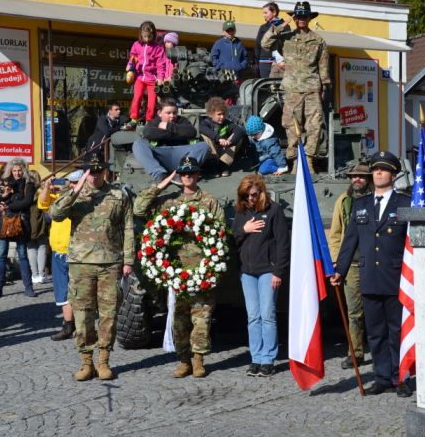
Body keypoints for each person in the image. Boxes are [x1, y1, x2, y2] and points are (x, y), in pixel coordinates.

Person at [330, 151, 413, 397]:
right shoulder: (361, 204)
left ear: (393, 175)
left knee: (397, 331)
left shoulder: (405, 203)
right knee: (375, 332)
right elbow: (350, 241)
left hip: (397, 277)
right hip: (369, 277)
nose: (377, 173)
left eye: (383, 169)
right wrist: (340, 270)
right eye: (375, 169)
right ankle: (381, 376)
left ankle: (401, 378)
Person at [133, 155, 224, 378]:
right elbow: (139, 209)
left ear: (198, 175)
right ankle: (183, 360)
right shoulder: (170, 201)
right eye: (183, 173)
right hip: (176, 271)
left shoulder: (209, 201)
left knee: (201, 319)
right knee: (179, 320)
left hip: (202, 270)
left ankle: (199, 360)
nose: (187, 177)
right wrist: (161, 185)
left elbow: (220, 232)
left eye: (191, 173)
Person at [50, 155, 134, 381]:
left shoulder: (118, 195)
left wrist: (128, 260)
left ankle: (104, 361)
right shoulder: (75, 195)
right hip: (81, 263)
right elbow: (55, 214)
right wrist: (76, 190)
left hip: (110, 263)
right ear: (85, 172)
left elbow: (128, 228)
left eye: (98, 171)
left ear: (105, 171)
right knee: (83, 314)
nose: (95, 175)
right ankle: (86, 362)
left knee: (108, 315)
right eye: (90, 171)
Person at [262, 1, 330, 173]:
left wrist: (325, 87)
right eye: (297, 15)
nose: (301, 19)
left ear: (309, 18)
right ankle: (294, 162)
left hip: (312, 89)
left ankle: (308, 161)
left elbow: (323, 66)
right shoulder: (286, 37)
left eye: (304, 16)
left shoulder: (318, 40)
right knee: (292, 126)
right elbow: (265, 44)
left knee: (314, 126)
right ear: (294, 17)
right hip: (292, 90)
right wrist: (282, 24)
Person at [231, 174, 289, 377]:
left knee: (267, 316)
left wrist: (278, 271)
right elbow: (234, 238)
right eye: (246, 195)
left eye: (253, 194)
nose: (250, 198)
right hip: (247, 272)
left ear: (261, 192)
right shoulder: (242, 211)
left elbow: (283, 243)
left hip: (267, 271)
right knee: (253, 317)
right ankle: (255, 358)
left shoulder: (273, 210)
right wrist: (243, 229)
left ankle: (268, 359)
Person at [328, 163, 372, 369]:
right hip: (352, 263)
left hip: (374, 262)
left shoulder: (376, 199)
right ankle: (355, 352)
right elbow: (336, 233)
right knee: (354, 312)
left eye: (362, 176)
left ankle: (379, 350)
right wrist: (337, 261)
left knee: (375, 310)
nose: (357, 179)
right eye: (354, 176)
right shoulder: (343, 201)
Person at [38, 170, 84, 341]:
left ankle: (82, 325)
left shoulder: (84, 199)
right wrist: (47, 186)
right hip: (58, 252)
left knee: (80, 291)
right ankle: (68, 325)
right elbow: (43, 204)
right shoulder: (61, 197)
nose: (72, 186)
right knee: (62, 292)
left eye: (75, 182)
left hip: (77, 253)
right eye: (70, 182)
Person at [0, 157, 37, 299]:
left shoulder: (29, 184)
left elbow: (26, 202)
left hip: (20, 222)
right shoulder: (5, 183)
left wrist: (9, 205)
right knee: (2, 255)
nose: (17, 173)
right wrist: (4, 194)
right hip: (4, 222)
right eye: (14, 170)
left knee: (22, 255)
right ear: (10, 171)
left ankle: (28, 287)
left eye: (19, 170)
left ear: (24, 170)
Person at [131, 98, 209, 183]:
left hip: (181, 156)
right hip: (161, 154)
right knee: (138, 144)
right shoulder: (155, 122)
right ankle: (160, 175)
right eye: (168, 113)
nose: (172, 116)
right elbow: (148, 133)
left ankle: (184, 174)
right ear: (159, 113)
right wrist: (177, 132)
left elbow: (191, 132)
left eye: (174, 113)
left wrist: (168, 127)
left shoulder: (182, 120)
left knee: (203, 146)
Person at [127, 21, 167, 124]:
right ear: (141, 34)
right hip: (139, 76)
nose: (147, 39)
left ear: (153, 35)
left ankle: (149, 120)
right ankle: (134, 118)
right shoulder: (136, 45)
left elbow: (160, 64)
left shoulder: (158, 48)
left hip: (152, 78)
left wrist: (160, 77)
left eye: (149, 37)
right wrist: (130, 67)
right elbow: (133, 58)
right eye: (144, 36)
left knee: (152, 100)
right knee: (137, 97)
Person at [199, 96, 246, 176]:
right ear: (211, 114)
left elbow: (240, 130)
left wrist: (230, 142)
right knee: (205, 136)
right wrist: (219, 139)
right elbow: (202, 128)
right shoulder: (206, 123)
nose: (222, 117)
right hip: (213, 151)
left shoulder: (226, 123)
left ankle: (224, 165)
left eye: (224, 114)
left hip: (224, 150)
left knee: (238, 137)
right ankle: (213, 165)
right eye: (219, 114)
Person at [255, 2, 289, 78]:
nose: (264, 15)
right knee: (264, 86)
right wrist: (257, 61)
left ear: (274, 12)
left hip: (279, 63)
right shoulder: (263, 27)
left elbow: (286, 45)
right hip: (264, 62)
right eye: (263, 13)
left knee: (276, 87)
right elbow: (258, 45)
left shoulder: (285, 26)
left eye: (266, 12)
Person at [27, 170, 49, 284]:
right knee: (42, 247)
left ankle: (34, 275)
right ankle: (41, 274)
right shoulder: (41, 191)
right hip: (41, 222)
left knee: (31, 248)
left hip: (28, 222)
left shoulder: (25, 192)